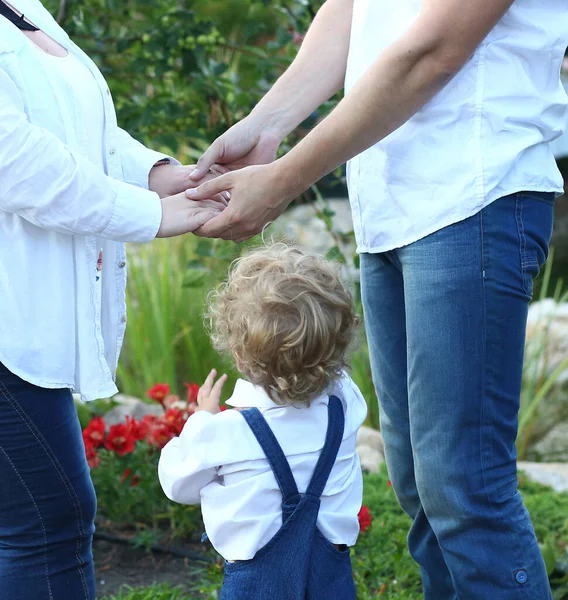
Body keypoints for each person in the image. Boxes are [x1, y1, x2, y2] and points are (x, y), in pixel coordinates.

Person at [186, 0, 568, 598]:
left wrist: (285, 177)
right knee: (419, 483)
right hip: (390, 202)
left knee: (463, 487)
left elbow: (433, 52)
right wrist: (264, 126)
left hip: (475, 189)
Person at [0, 1, 225, 598]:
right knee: (49, 522)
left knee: (45, 519)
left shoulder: (23, 7)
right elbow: (16, 160)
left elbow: (78, 129)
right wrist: (151, 214)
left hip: (23, 321)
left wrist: (158, 174)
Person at [158, 244, 367, 600]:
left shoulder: (227, 432)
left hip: (256, 587)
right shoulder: (346, 404)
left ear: (239, 355)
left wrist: (202, 420)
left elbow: (177, 484)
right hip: (331, 580)